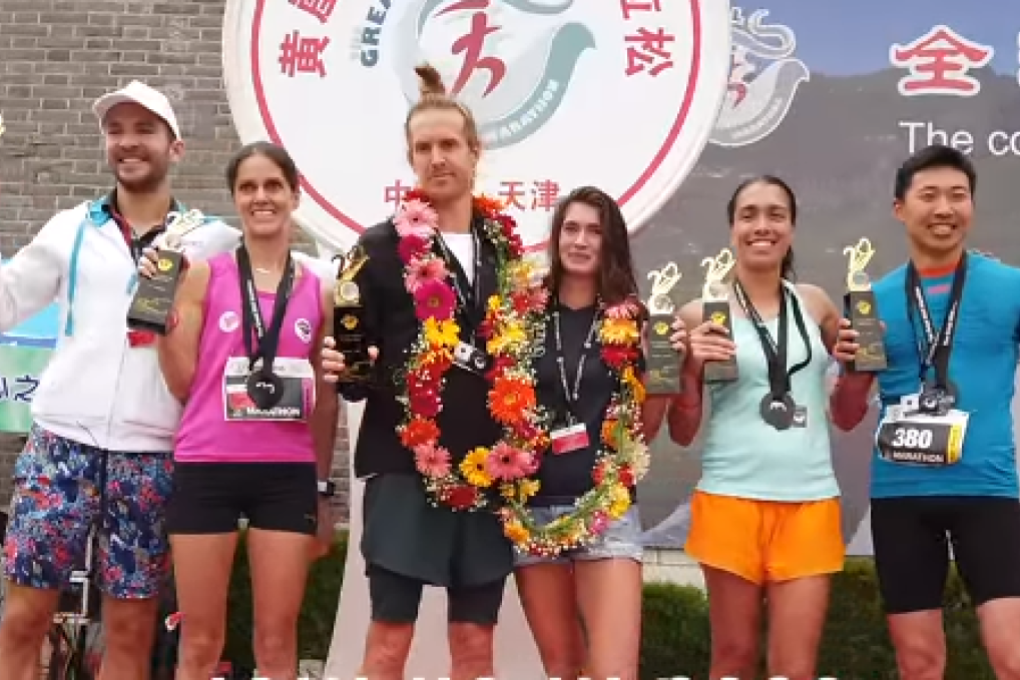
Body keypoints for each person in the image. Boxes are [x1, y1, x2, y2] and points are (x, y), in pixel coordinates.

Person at [0, 81, 239, 679]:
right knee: (24, 616)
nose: (128, 142)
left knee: (129, 630)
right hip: (60, 447)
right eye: (116, 131)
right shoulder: (71, 228)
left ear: (175, 147)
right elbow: (8, 297)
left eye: (144, 130)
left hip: (152, 454)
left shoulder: (212, 240)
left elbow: (270, 290)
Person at [319, 63, 545, 680]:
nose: (437, 158)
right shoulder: (378, 248)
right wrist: (346, 366)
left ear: (475, 151)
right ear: (410, 158)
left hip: (490, 465)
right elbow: (352, 363)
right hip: (403, 463)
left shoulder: (506, 251)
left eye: (449, 144)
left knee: (474, 646)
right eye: (424, 148)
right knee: (389, 643)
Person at [831, 144, 1020, 680]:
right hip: (902, 498)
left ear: (972, 207)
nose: (944, 208)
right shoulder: (871, 300)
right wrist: (851, 371)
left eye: (958, 196)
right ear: (900, 208)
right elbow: (846, 415)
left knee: (1012, 658)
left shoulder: (1010, 288)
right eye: (929, 195)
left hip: (988, 491)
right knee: (918, 664)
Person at [151, 141, 337, 679]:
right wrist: (161, 326)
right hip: (207, 465)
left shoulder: (318, 290)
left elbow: (324, 402)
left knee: (277, 641)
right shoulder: (203, 276)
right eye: (248, 187)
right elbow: (183, 383)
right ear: (234, 198)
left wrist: (322, 487)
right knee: (200, 641)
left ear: (294, 195)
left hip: (285, 474)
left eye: (273, 185)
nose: (261, 197)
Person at [667, 176, 845, 680]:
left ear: (791, 228)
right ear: (732, 230)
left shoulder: (816, 305)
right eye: (749, 215)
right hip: (730, 499)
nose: (761, 226)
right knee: (733, 659)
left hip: (810, 500)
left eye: (775, 214)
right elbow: (681, 431)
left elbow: (849, 401)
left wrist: (860, 367)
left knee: (795, 667)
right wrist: (689, 368)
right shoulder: (700, 315)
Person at [508, 186, 678, 680]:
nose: (581, 241)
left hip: (607, 510)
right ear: (556, 236)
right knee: (561, 668)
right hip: (534, 516)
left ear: (611, 243)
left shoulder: (635, 321)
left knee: (614, 671)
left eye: (594, 231)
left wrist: (662, 372)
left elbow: (644, 432)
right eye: (571, 228)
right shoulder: (522, 317)